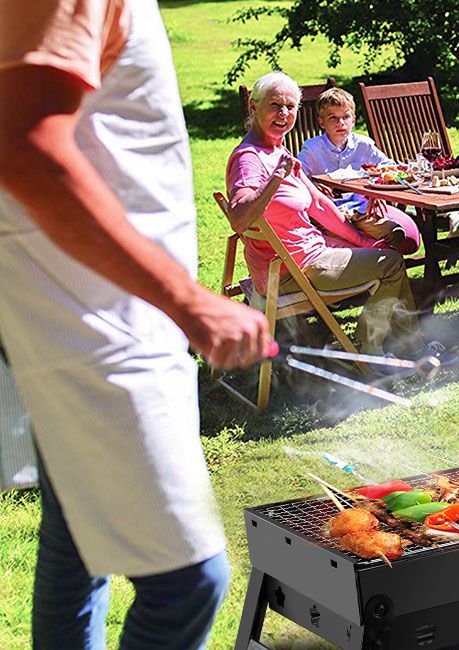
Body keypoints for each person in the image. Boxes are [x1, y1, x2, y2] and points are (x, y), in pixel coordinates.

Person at [0, 1, 272, 647]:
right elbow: (22, 144)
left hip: (98, 305)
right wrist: (189, 300)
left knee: (75, 551)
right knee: (189, 581)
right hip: (91, 318)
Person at [227, 72, 448, 361]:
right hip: (291, 272)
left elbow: (319, 205)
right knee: (391, 264)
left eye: (291, 106)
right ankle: (371, 352)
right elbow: (239, 218)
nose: (284, 114)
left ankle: (405, 345)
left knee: (386, 250)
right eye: (275, 105)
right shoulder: (250, 158)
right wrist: (276, 178)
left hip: (306, 256)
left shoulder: (277, 150)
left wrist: (363, 242)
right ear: (254, 108)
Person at [297, 87, 421, 254]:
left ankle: (381, 267)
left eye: (345, 117)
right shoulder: (312, 149)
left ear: (353, 119)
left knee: (395, 233)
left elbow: (388, 167)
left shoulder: (363, 145)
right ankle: (367, 262)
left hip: (362, 209)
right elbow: (296, 177)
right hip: (331, 213)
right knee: (345, 238)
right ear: (321, 122)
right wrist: (312, 185)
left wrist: (377, 193)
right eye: (333, 118)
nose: (341, 123)